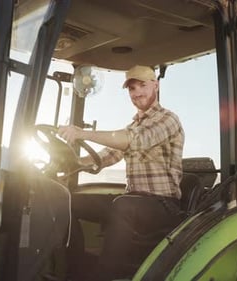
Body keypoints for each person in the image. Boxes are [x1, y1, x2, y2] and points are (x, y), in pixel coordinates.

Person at [58, 65, 185, 281]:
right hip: (134, 200)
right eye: (132, 89)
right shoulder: (133, 125)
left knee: (124, 206)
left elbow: (133, 140)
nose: (137, 93)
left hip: (163, 205)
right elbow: (107, 156)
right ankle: (76, 269)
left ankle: (105, 275)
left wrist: (82, 133)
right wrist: (73, 162)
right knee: (68, 202)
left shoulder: (168, 119)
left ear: (156, 85)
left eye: (142, 85)